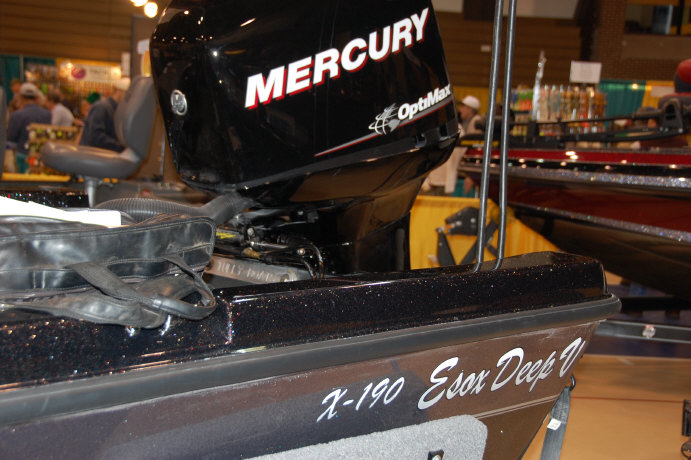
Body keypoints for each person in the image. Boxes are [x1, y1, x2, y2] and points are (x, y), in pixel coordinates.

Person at [421, 95, 484, 195]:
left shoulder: (472, 124)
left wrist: (470, 175)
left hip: (441, 181)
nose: (461, 110)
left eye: (464, 107)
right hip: (432, 180)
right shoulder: (459, 126)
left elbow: (471, 152)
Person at [7, 82, 51, 172]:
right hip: (42, 156)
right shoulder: (47, 114)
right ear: (37, 97)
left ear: (20, 97)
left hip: (22, 156)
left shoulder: (17, 115)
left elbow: (11, 138)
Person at [79, 78, 130, 151]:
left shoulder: (116, 109)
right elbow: (96, 136)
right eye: (127, 94)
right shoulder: (102, 107)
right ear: (119, 91)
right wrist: (121, 147)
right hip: (93, 154)